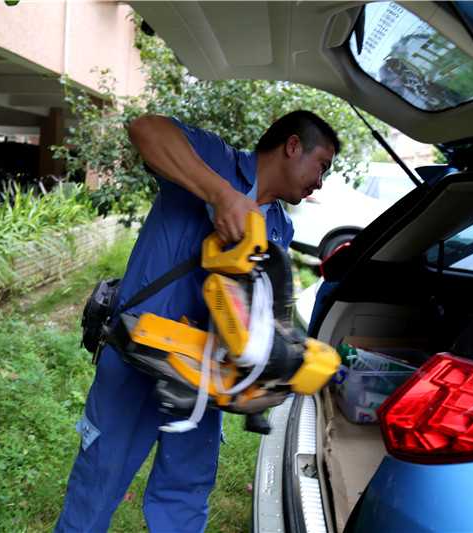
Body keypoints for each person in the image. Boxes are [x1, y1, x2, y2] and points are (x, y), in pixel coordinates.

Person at [54, 111, 340, 533]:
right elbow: (145, 129)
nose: (320, 181)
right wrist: (221, 194)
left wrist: (267, 376)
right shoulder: (216, 159)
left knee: (185, 493)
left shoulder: (279, 228)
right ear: (293, 146)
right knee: (97, 481)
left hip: (205, 379)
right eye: (322, 166)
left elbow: (258, 322)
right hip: (137, 354)